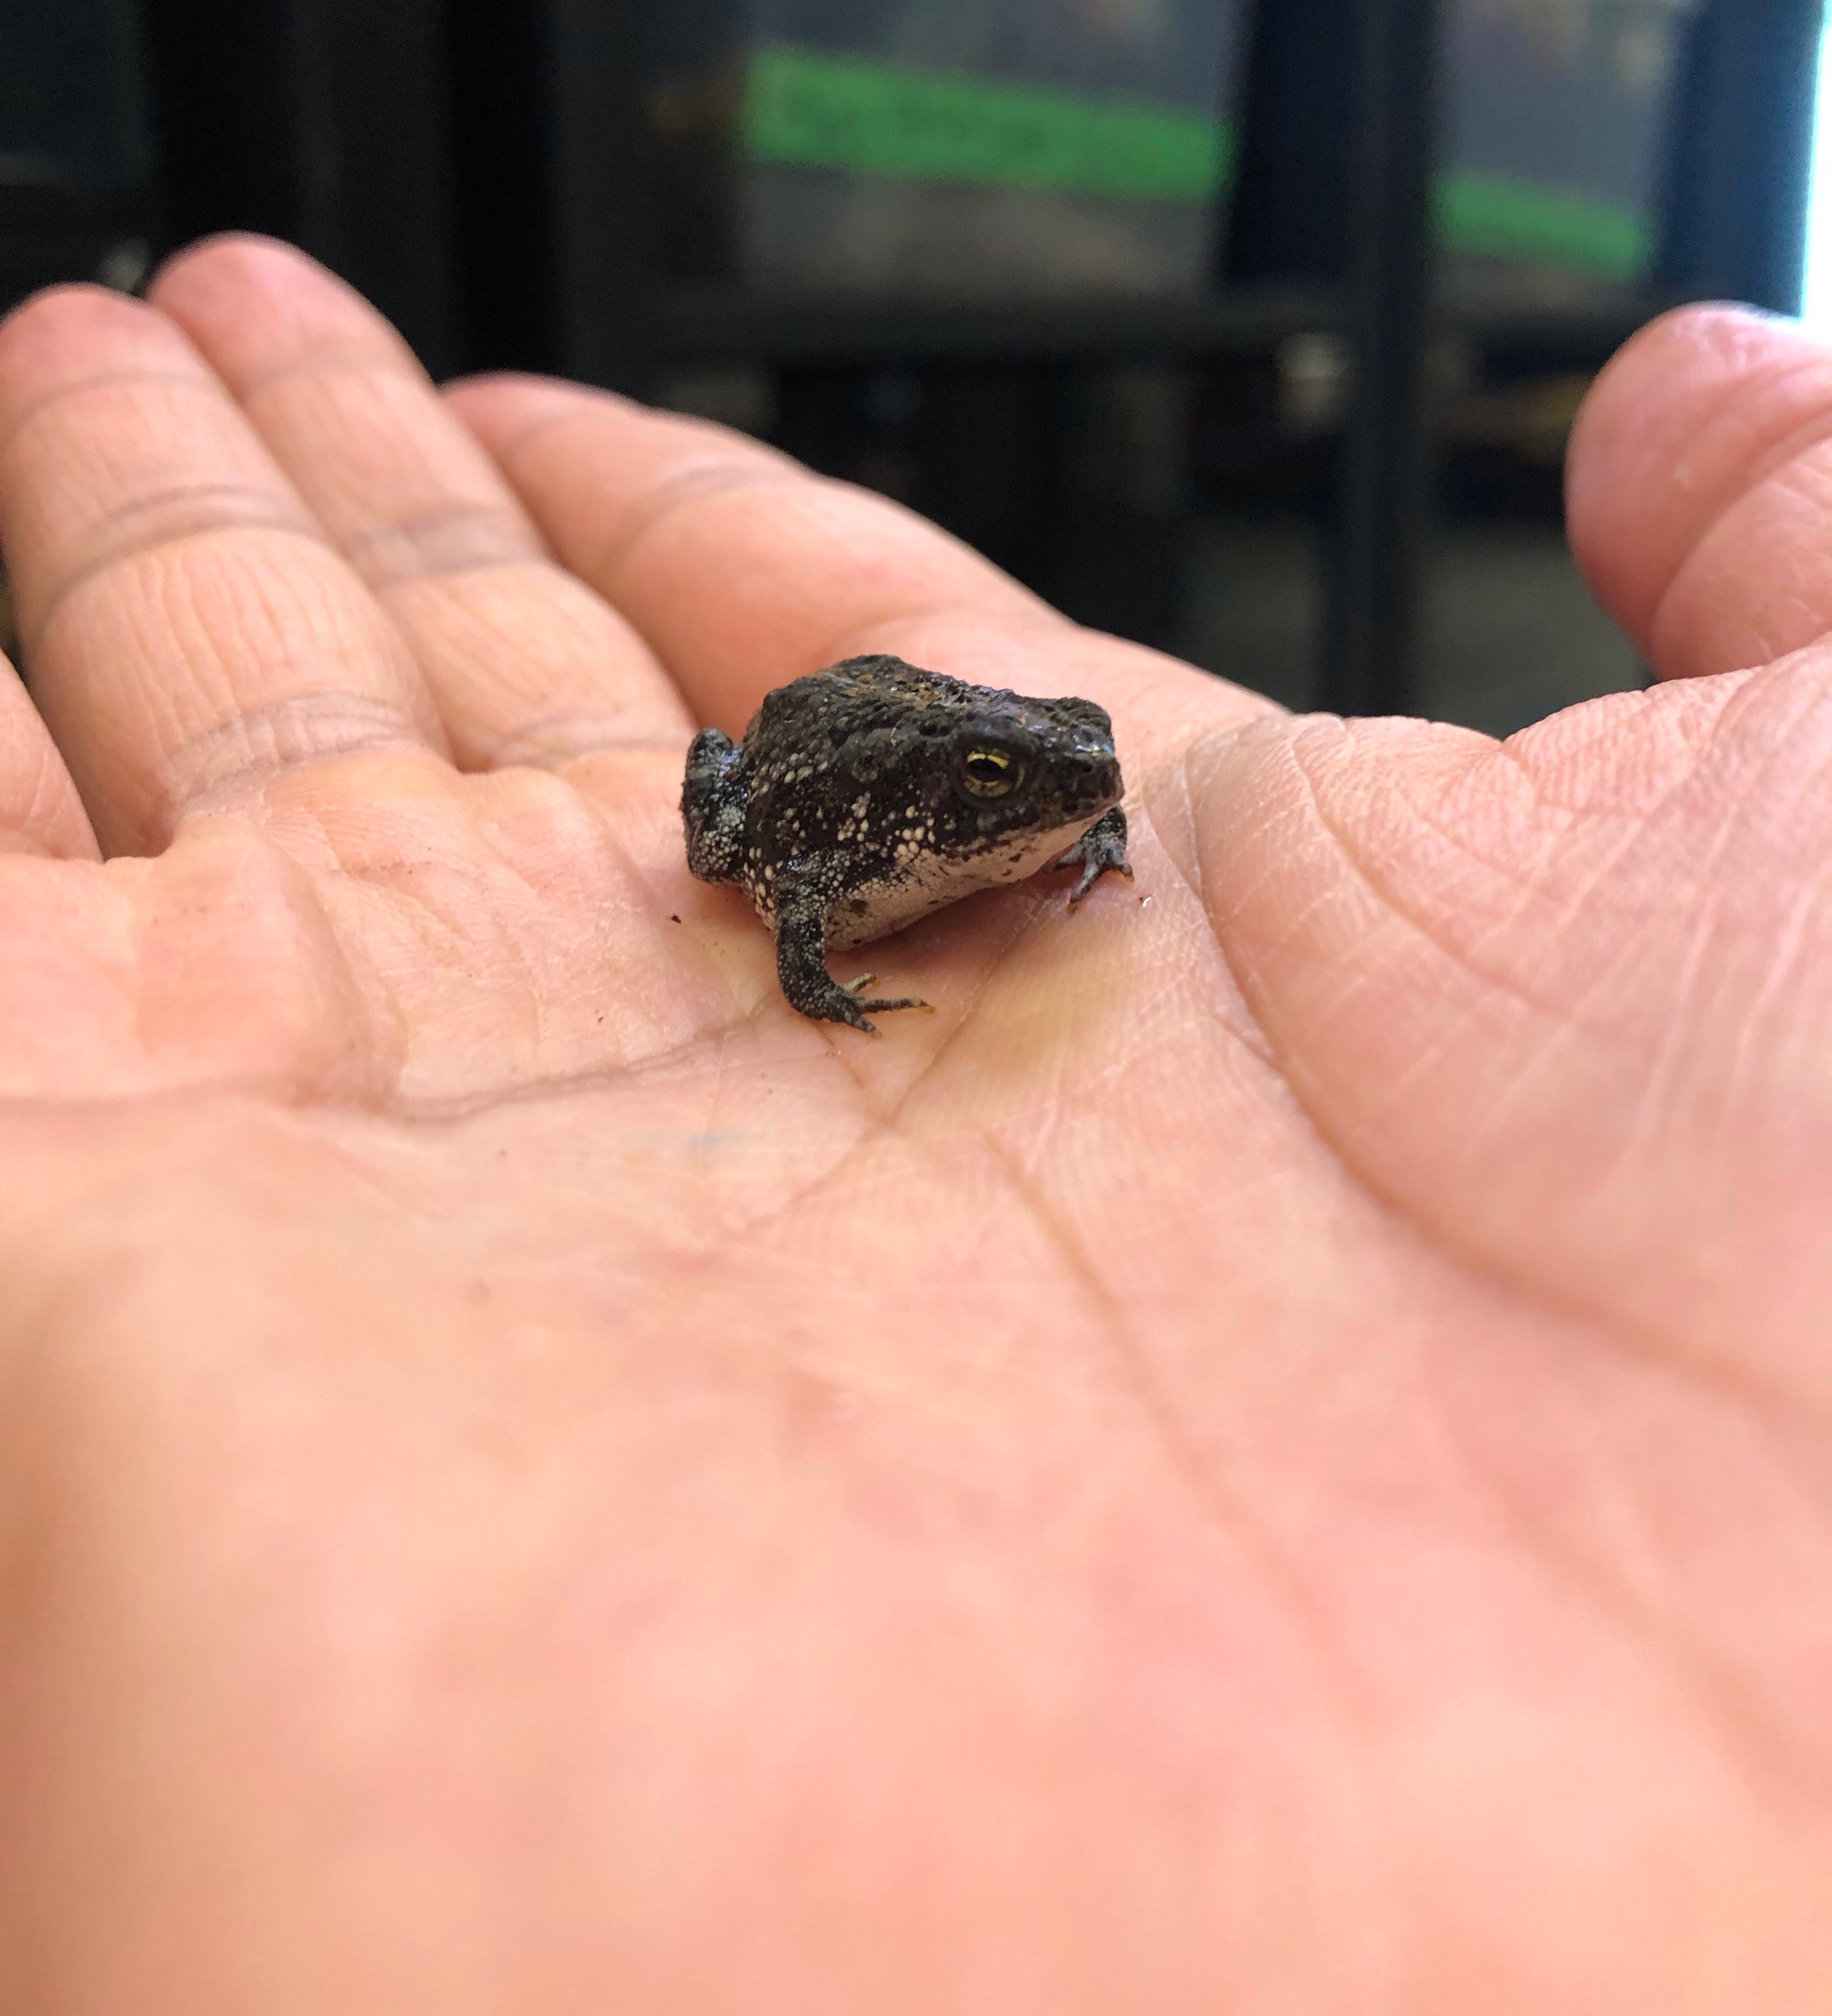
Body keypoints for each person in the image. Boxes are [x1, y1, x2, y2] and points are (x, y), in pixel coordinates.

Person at [0, 234, 1828, 2011]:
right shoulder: (857, 842)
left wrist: (1083, 830)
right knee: (722, 824)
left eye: (1069, 779)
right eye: (1017, 790)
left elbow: (1065, 779)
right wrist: (819, 990)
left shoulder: (1029, 805)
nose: (1067, 802)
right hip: (796, 764)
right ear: (940, 805)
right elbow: (785, 890)